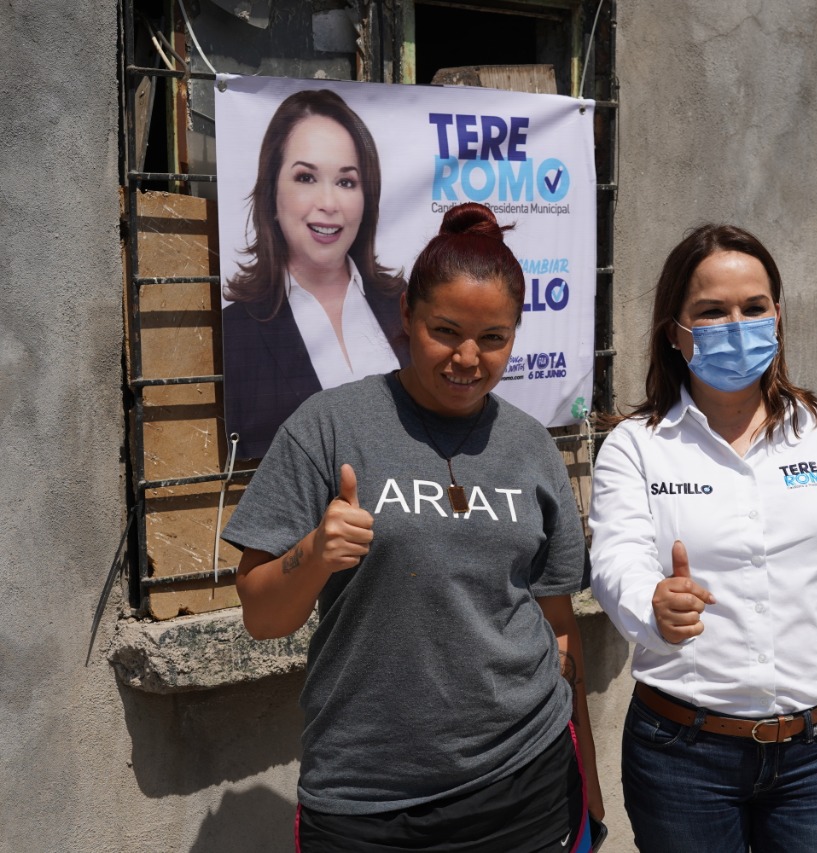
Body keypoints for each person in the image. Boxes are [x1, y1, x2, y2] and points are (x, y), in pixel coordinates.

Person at [223, 203, 604, 852]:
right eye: (444, 330)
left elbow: (561, 628)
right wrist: (313, 554)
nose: (467, 358)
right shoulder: (330, 426)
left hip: (526, 784)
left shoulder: (531, 446)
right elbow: (261, 614)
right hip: (367, 800)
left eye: (493, 339)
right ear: (406, 316)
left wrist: (589, 782)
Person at [588, 224, 817, 852]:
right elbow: (615, 560)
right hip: (683, 759)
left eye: (753, 308)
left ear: (778, 316)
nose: (736, 325)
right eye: (710, 311)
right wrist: (653, 603)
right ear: (675, 331)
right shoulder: (636, 447)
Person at [222, 88, 409, 459]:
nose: (328, 203)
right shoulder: (235, 332)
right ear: (272, 193)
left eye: (346, 182)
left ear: (366, 197)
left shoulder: (405, 305)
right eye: (306, 178)